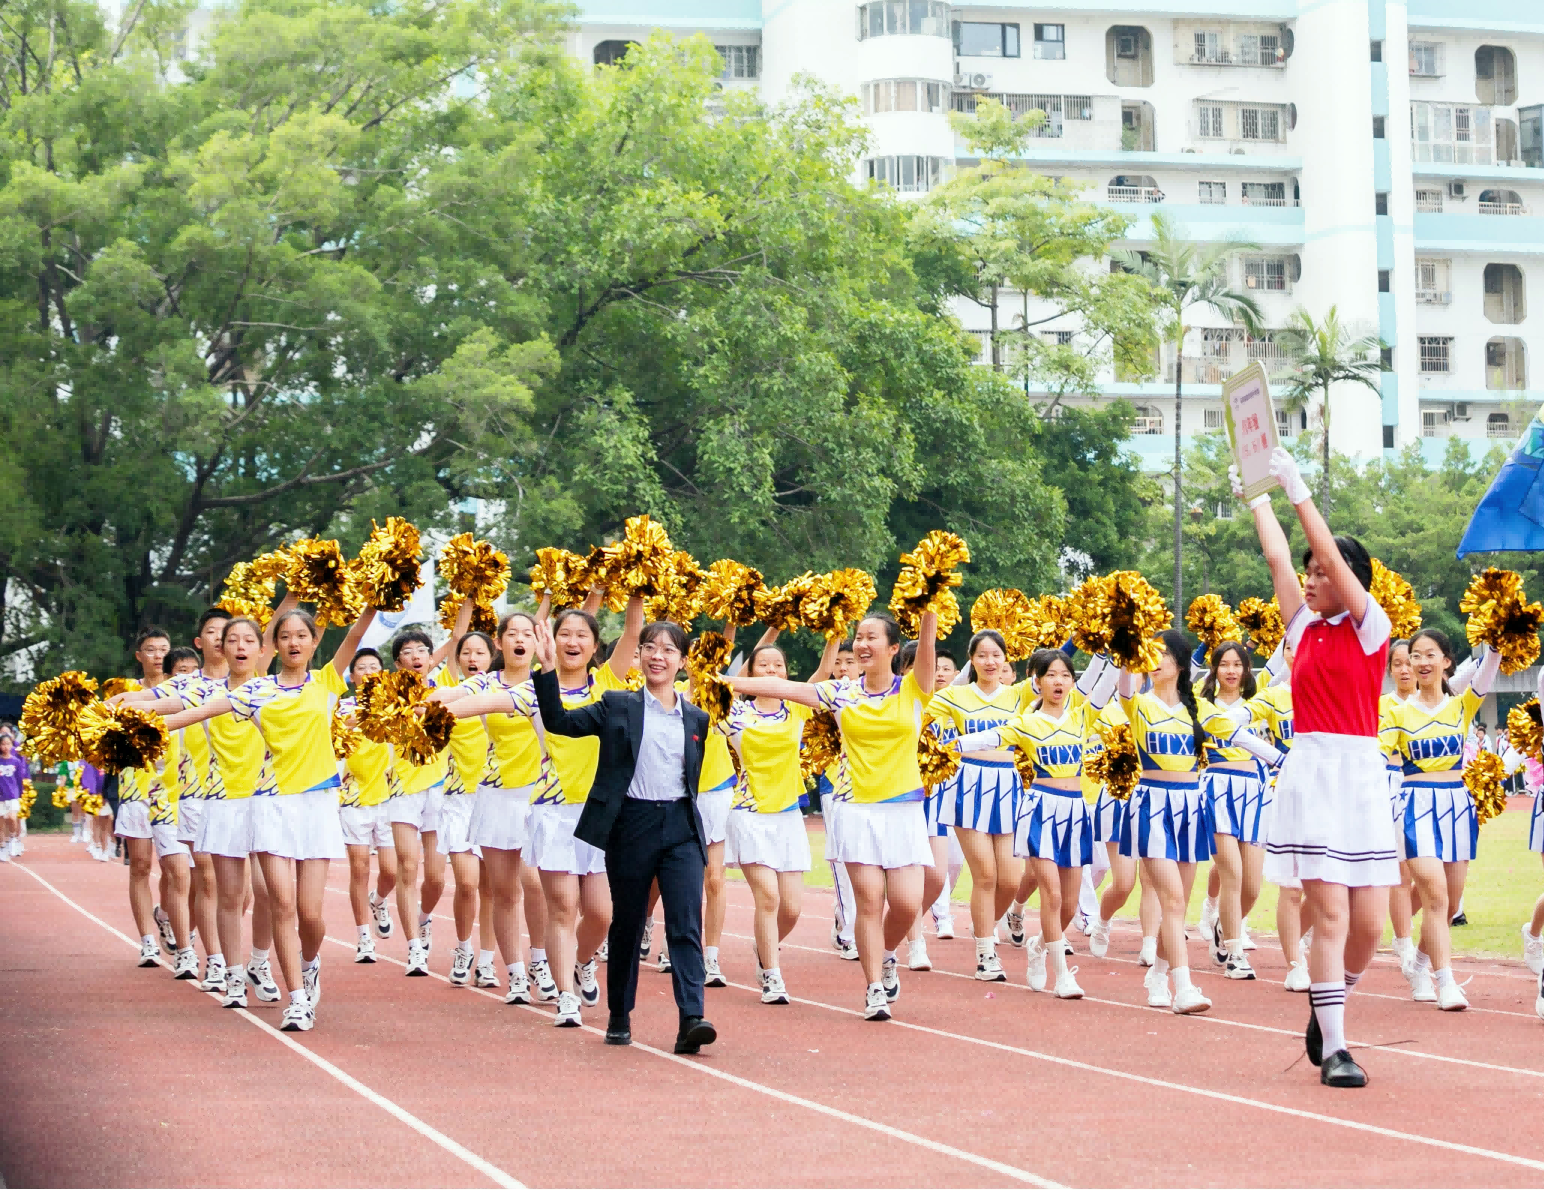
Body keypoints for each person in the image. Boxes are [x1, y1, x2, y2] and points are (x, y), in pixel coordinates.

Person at [1238, 448, 1398, 1088]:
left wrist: (1297, 488)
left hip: (1360, 775)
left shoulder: (1372, 627)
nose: (1309, 579)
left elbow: (1324, 551)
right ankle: (1336, 1047)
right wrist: (1259, 496)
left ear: (1347, 578)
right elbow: (1279, 559)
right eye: (1307, 573)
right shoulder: (1302, 629)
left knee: (1370, 926)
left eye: (1320, 572)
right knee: (1329, 914)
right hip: (1312, 772)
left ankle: (1326, 1002)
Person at [159, 599, 375, 1030]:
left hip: (316, 805)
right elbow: (196, 713)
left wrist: (373, 600)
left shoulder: (327, 681)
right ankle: (297, 999)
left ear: (313, 643)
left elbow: (354, 634)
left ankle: (310, 963)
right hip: (269, 802)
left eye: (301, 636)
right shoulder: (256, 690)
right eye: (285, 636)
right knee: (281, 903)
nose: (293, 642)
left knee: (310, 914)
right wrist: (128, 726)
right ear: (273, 645)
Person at [729, 611, 937, 1021]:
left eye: (872, 637)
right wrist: (725, 681)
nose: (862, 644)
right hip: (854, 808)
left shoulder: (914, 687)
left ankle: (888, 954)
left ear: (894, 648)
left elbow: (927, 646)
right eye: (859, 637)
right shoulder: (841, 692)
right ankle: (873, 988)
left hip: (903, 811)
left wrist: (929, 607)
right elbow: (783, 687)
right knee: (869, 901)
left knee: (907, 903)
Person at [531, 617, 717, 1054]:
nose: (658, 656)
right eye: (650, 647)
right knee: (628, 923)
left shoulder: (697, 718)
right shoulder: (616, 705)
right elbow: (558, 722)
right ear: (640, 656)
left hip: (681, 828)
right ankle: (619, 1016)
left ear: (682, 662)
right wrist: (547, 669)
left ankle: (692, 1018)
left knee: (686, 922)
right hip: (631, 825)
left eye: (668, 650)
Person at [1115, 630, 1281, 1016]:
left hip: (1190, 808)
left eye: (1160, 653)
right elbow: (1124, 686)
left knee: (1178, 905)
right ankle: (1185, 987)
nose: (1152, 660)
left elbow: (1239, 736)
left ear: (1178, 661)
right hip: (1152, 806)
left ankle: (1158, 974)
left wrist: (1284, 760)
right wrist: (1127, 646)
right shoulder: (1139, 704)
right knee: (1173, 899)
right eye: (1147, 654)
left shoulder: (1199, 709)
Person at [955, 649, 1118, 997]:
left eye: (1065, 675)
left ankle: (1039, 946)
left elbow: (1106, 685)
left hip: (1075, 813)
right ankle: (1062, 975)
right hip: (1041, 811)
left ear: (1072, 682)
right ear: (1037, 681)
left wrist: (1121, 651)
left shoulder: (1082, 716)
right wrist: (949, 745)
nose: (1058, 681)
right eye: (1051, 675)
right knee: (1052, 895)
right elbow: (991, 738)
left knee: (1070, 905)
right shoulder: (1026, 723)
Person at [431, 612, 547, 1004]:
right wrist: (411, 702)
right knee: (503, 891)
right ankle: (515, 974)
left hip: (538, 795)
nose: (519, 639)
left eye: (527, 633)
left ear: (537, 642)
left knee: (536, 884)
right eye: (511, 633)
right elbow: (451, 696)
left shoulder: (547, 683)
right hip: (496, 796)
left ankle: (540, 960)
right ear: (500, 643)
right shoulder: (485, 683)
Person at [1382, 628, 1500, 1010]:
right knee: (1435, 895)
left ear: (1446, 662)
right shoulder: (1397, 712)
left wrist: (1497, 643)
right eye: (1415, 656)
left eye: (1430, 655)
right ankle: (1446, 982)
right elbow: (1377, 758)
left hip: (1456, 806)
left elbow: (1486, 673)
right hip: (1415, 807)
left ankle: (1418, 964)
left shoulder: (1461, 706)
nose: (1421, 662)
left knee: (1449, 904)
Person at [722, 639, 838, 1002]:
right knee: (768, 898)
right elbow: (713, 691)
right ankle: (772, 975)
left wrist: (834, 632)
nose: (771, 671)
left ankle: (764, 947)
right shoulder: (734, 713)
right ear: (751, 672)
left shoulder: (797, 709)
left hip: (787, 817)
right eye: (763, 665)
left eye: (778, 665)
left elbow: (823, 673)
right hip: (748, 813)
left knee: (791, 908)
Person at [924, 630, 1031, 982]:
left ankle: (983, 924)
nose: (989, 661)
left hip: (1008, 788)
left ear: (1006, 659)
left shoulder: (1019, 695)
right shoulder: (954, 695)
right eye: (982, 655)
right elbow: (919, 708)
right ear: (971, 660)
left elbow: (1056, 672)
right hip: (968, 787)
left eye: (996, 655)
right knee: (985, 875)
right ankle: (986, 954)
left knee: (1011, 880)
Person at [1196, 641, 1269, 981]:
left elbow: (1281, 663)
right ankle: (1235, 956)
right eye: (1224, 664)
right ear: (1214, 669)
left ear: (1246, 669)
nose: (1231, 670)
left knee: (1252, 886)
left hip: (1253, 792)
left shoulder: (1257, 703)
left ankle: (1223, 928)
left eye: (1237, 664)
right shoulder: (1202, 704)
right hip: (1217, 790)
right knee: (1232, 874)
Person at [337, 648, 398, 963]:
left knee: (391, 871)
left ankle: (379, 899)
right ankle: (363, 938)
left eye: (375, 667)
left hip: (389, 798)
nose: (369, 672)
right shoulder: (343, 707)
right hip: (354, 797)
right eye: (362, 668)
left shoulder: (396, 706)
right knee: (359, 868)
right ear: (352, 677)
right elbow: (340, 729)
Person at [0, 734, 27, 863]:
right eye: (3, 744)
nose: (5, 746)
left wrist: (20, 793)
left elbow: (19, 779)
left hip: (12, 795)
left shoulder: (16, 761)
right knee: (1, 824)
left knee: (12, 818)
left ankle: (13, 839)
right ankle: (2, 847)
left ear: (12, 745)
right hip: (0, 796)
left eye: (8, 744)